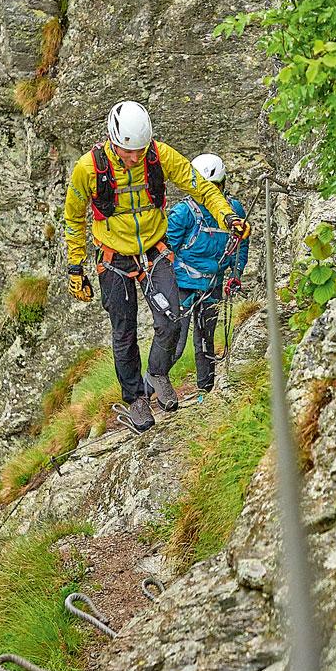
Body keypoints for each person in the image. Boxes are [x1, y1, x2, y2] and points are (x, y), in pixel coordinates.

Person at [63, 101, 251, 433]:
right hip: (114, 258)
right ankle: (137, 399)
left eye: (141, 149)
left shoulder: (159, 155)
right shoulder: (88, 169)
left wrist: (227, 216)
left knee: (172, 319)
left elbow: (201, 187)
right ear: (112, 140)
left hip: (154, 251)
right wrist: (75, 268)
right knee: (124, 332)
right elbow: (74, 218)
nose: (136, 157)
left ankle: (158, 372)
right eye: (128, 151)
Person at [166, 154, 250, 399]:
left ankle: (206, 391)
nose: (210, 193)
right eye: (205, 188)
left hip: (212, 284)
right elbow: (166, 250)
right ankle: (150, 391)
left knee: (205, 340)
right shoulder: (183, 213)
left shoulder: (234, 211)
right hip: (181, 285)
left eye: (215, 187)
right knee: (174, 342)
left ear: (223, 185)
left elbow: (240, 244)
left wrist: (236, 272)